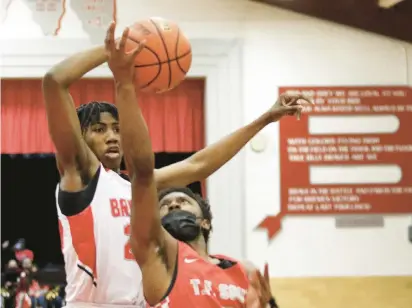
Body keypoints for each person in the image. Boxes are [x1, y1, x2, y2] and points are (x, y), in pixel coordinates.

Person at [103, 23, 307, 307]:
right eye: (165, 204)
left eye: (181, 201)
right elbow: (142, 175)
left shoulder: (241, 270)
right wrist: (123, 82)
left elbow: (199, 164)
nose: (173, 205)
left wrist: (266, 118)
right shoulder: (85, 182)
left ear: (205, 220)